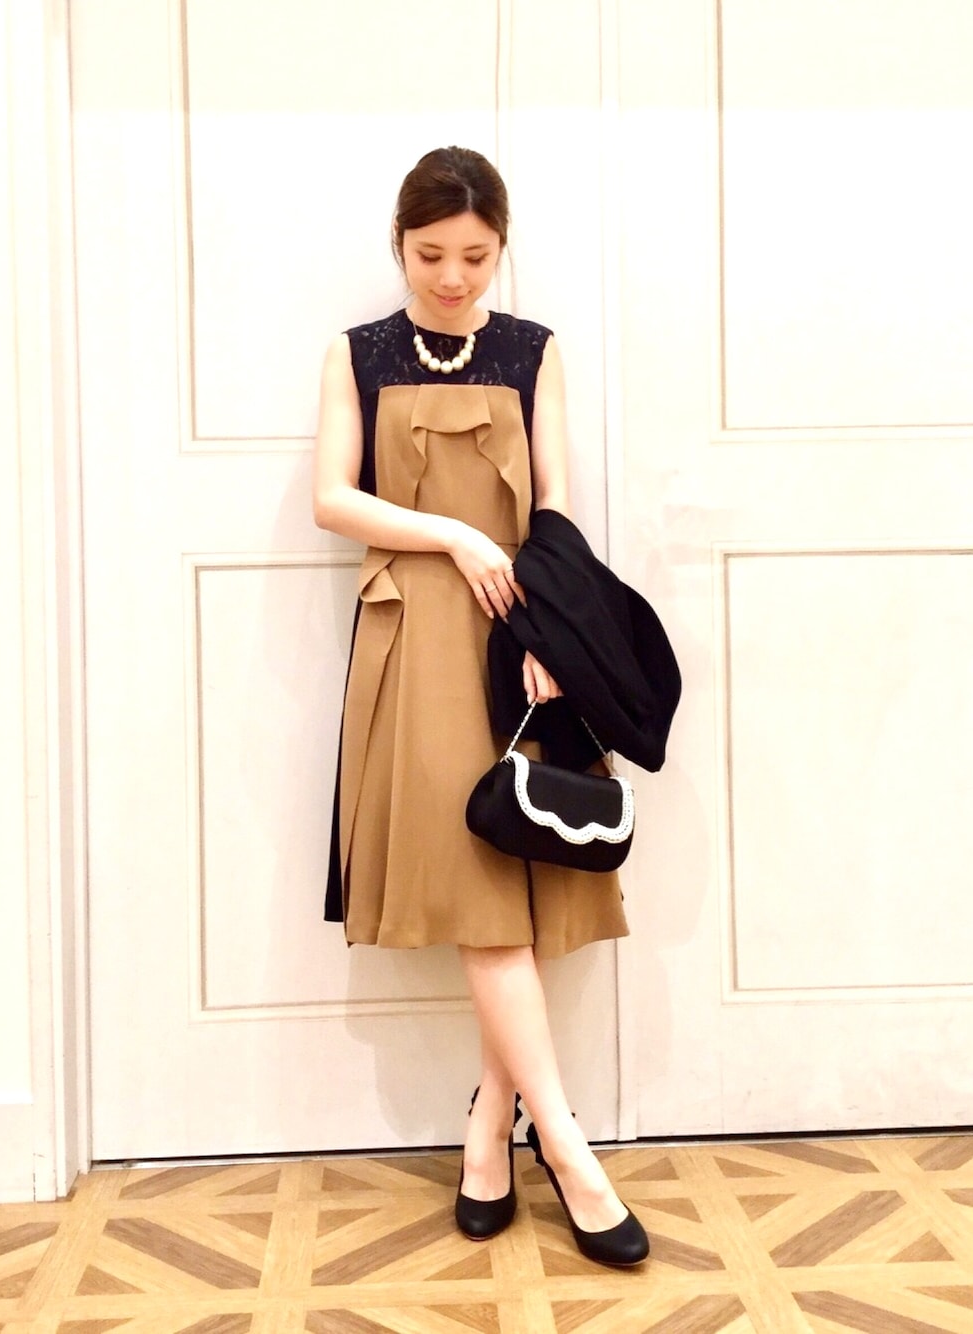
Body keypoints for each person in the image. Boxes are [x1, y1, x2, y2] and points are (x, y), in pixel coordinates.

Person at [313, 146, 648, 1267]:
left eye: (475, 255)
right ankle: (568, 1148)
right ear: (398, 245)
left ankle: (487, 1130)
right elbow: (332, 497)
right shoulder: (357, 354)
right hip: (414, 635)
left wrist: (552, 639)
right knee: (481, 891)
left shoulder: (531, 351)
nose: (453, 277)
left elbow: (555, 504)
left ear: (501, 247)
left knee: (521, 878)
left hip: (519, 636)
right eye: (430, 255)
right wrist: (455, 535)